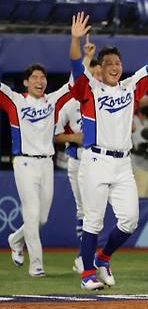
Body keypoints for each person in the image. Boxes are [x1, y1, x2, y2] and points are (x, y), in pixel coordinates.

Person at [69, 12, 148, 290]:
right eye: (108, 64)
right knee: (93, 221)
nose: (114, 66)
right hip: (95, 160)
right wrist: (76, 40)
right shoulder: (89, 90)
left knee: (129, 220)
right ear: (100, 69)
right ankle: (87, 274)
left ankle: (103, 258)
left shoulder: (130, 88)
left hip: (122, 163)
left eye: (117, 62)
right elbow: (75, 66)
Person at [2, 64, 74, 277]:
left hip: (46, 163)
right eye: (34, 77)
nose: (39, 81)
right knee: (32, 214)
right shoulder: (16, 100)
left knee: (41, 218)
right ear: (25, 82)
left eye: (42, 77)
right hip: (24, 162)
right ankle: (36, 265)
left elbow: (72, 85)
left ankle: (15, 239)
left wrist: (86, 57)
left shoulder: (52, 101)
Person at [54, 36, 100, 274]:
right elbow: (57, 135)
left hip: (101, 160)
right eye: (92, 73)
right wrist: (74, 138)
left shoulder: (103, 99)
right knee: (84, 210)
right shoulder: (70, 104)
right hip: (78, 159)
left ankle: (92, 255)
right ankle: (83, 257)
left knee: (97, 211)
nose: (96, 77)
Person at [131, 95, 148, 197]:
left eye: (147, 104)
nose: (145, 106)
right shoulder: (132, 120)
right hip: (137, 166)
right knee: (140, 199)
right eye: (142, 104)